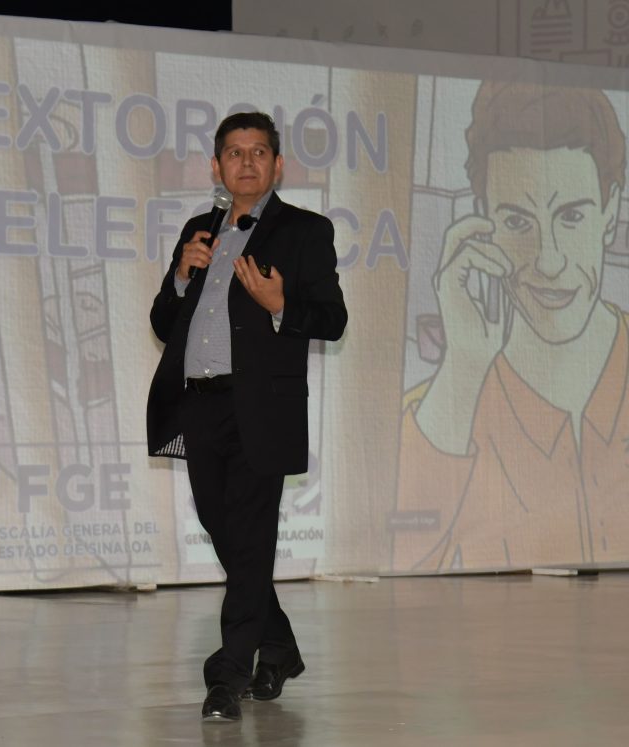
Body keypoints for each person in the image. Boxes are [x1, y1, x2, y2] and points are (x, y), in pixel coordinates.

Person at [146, 111, 348, 721]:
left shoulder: (305, 231)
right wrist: (182, 276)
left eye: (259, 151)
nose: (247, 162)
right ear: (217, 166)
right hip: (200, 404)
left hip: (261, 408)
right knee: (227, 533)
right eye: (234, 153)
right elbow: (163, 323)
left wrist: (280, 303)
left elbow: (332, 319)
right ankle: (279, 648)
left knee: (252, 539)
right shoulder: (199, 231)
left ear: (277, 164)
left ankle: (227, 675)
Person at [393, 81, 629, 571]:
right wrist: (464, 367)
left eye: (571, 216)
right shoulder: (444, 410)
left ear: (610, 210)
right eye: (518, 222)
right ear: (483, 219)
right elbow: (392, 558)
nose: (548, 260)